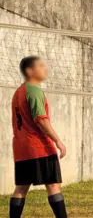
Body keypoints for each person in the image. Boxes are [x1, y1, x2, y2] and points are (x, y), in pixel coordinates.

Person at [10, 56, 68, 218]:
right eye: (41, 66)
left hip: (21, 148)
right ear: (29, 71)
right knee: (54, 186)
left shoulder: (18, 92)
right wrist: (58, 141)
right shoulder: (34, 91)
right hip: (39, 147)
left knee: (21, 188)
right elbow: (41, 119)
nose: (45, 69)